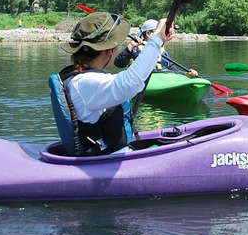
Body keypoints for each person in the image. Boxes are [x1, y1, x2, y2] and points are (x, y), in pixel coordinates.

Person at [56, 11, 170, 154]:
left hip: (108, 153)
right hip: (106, 159)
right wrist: (157, 37)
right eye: (116, 45)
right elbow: (131, 83)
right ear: (109, 50)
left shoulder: (80, 78)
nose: (118, 49)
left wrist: (158, 40)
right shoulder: (85, 83)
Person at [114, 18, 198, 78]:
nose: (164, 34)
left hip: (163, 79)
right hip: (144, 80)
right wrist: (130, 47)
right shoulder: (135, 48)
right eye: (161, 32)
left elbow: (174, 71)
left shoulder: (163, 52)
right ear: (148, 33)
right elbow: (119, 64)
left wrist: (186, 74)